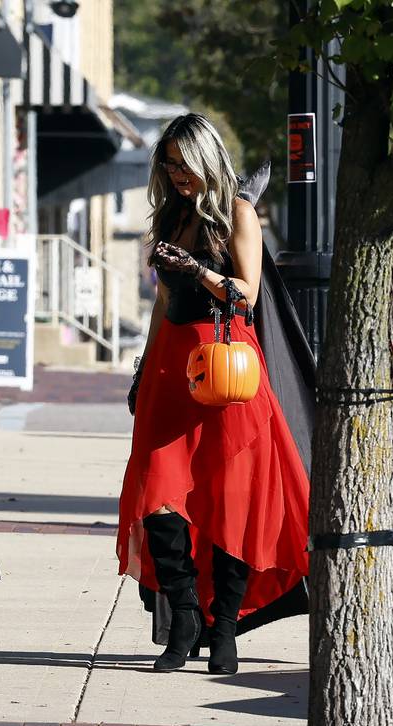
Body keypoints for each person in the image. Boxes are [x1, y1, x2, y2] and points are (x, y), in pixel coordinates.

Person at [118, 113, 311, 675]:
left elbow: (246, 296)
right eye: (169, 164)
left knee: (231, 501)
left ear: (208, 159)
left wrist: (197, 270)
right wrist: (143, 370)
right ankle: (183, 619)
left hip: (229, 370)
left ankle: (223, 627)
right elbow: (159, 305)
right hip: (173, 368)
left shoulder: (238, 213)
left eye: (185, 163)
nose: (178, 174)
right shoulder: (171, 215)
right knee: (159, 499)